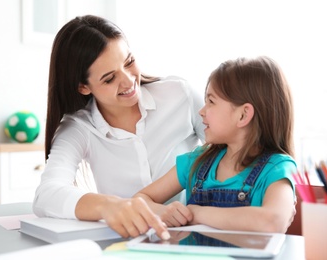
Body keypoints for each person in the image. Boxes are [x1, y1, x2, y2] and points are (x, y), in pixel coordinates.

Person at [32, 14, 205, 240]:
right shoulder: (79, 128)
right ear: (83, 87)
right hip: (129, 244)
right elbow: (46, 195)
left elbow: (233, 148)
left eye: (129, 62)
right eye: (109, 78)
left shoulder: (179, 94)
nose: (128, 81)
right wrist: (111, 206)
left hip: (199, 234)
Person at [134, 56, 297, 233]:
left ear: (243, 115)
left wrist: (196, 214)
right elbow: (139, 200)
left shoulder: (277, 168)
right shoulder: (196, 162)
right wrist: (165, 211)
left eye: (211, 101)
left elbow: (273, 222)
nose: (201, 111)